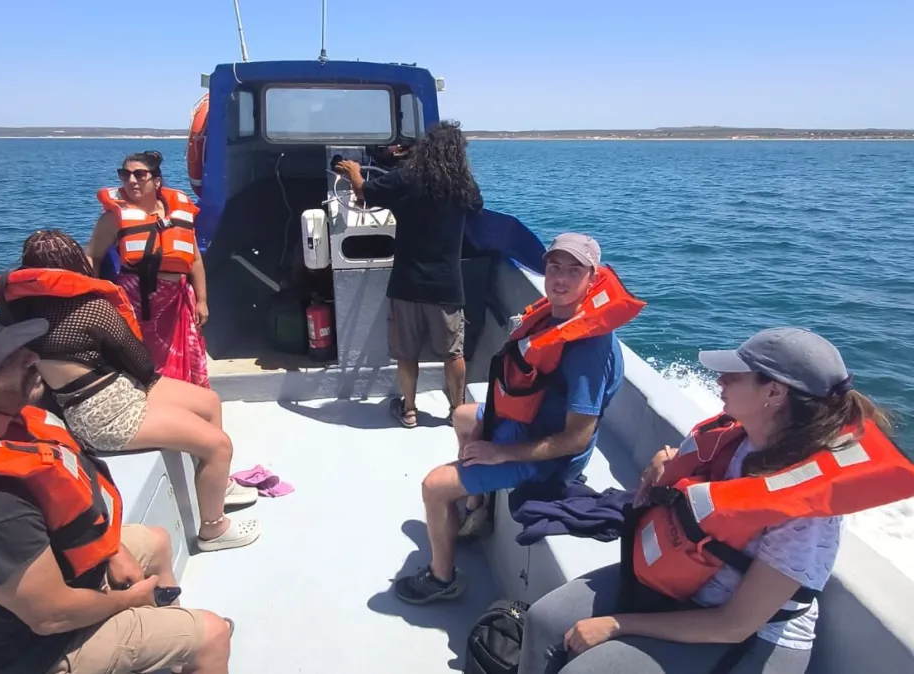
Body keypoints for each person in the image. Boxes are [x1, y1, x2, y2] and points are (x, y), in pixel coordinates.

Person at [517, 327, 914, 674]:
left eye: (735, 375)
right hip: (684, 590)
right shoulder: (735, 438)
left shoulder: (807, 513)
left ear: (774, 393)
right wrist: (663, 469)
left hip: (748, 641)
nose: (720, 379)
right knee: (545, 619)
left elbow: (736, 624)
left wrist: (619, 623)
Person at [0, 302, 234, 674]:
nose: (31, 357)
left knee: (155, 541)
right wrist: (129, 600)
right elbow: (52, 617)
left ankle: (173, 638)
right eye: (4, 359)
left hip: (52, 579)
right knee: (214, 635)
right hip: (28, 652)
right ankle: (192, 645)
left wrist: (113, 550)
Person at [0, 229, 260, 552]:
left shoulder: (16, 314)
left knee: (207, 401)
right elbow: (142, 365)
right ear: (75, 264)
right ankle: (213, 529)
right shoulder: (92, 308)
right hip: (106, 416)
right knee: (218, 445)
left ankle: (219, 486)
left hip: (93, 399)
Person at [393, 233, 645, 604]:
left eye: (574, 271)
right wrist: (488, 425)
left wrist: (501, 453)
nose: (560, 278)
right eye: (554, 267)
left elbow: (575, 438)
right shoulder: (556, 316)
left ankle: (441, 579)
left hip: (551, 457)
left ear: (592, 278)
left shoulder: (589, 349)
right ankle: (477, 511)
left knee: (434, 485)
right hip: (528, 422)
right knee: (463, 415)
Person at [336, 121, 483, 428]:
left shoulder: (405, 179)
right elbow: (477, 206)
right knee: (452, 353)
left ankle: (410, 411)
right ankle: (458, 410)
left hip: (407, 283)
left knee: (407, 354)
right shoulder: (464, 186)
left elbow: (364, 195)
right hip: (446, 286)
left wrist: (353, 172)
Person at [84, 150, 211, 388]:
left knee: (185, 363)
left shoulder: (179, 213)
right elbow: (92, 256)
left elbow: (194, 260)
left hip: (178, 303)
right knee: (142, 364)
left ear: (157, 180)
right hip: (136, 303)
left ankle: (184, 404)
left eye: (139, 175)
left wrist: (202, 300)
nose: (131, 181)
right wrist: (92, 296)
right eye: (125, 175)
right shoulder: (113, 219)